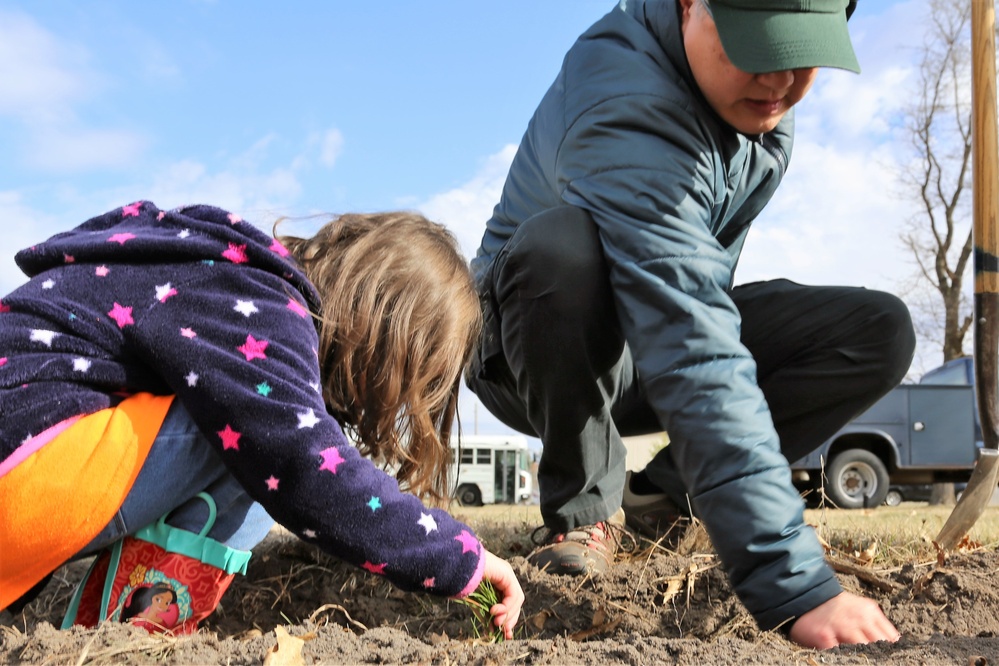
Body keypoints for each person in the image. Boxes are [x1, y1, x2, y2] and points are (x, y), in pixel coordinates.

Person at [466, 0, 911, 649]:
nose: (776, 82)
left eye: (798, 53)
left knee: (877, 329)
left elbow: (693, 297)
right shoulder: (624, 93)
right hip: (532, 349)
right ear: (685, 6)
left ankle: (664, 499)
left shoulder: (762, 121)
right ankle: (584, 510)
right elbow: (688, 333)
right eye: (750, 49)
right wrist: (789, 581)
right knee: (562, 249)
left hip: (649, 338)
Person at [0, 201, 523, 638]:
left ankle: (110, 631)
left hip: (24, 476)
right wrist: (464, 561)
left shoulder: (219, 270)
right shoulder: (265, 304)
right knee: (256, 442)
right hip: (19, 484)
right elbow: (307, 465)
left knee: (258, 429)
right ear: (383, 333)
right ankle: (132, 635)